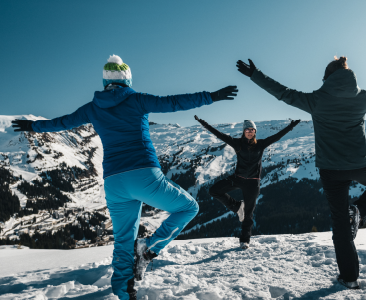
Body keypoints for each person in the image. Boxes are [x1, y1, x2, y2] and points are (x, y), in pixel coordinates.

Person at [11, 54, 238, 300]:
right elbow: (174, 102)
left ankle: (123, 291)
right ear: (127, 79)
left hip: (114, 182)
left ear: (104, 82)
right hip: (143, 175)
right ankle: (149, 248)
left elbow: (63, 122)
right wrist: (211, 96)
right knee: (188, 207)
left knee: (123, 239)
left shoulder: (92, 107)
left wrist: (34, 127)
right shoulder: (136, 100)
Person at [236, 56, 366, 289]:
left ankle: (349, 277)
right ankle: (357, 211)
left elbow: (283, 93)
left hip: (331, 170)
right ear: (349, 75)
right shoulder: (363, 98)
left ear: (327, 78)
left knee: (340, 227)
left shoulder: (316, 100)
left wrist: (255, 75)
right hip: (360, 165)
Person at [194, 115, 300, 249]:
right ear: (244, 131)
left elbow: (277, 136)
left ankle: (245, 240)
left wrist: (291, 126)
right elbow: (219, 134)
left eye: (252, 129)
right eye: (247, 129)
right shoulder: (237, 143)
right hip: (237, 179)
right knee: (214, 190)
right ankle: (237, 206)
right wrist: (204, 123)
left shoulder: (261, 144)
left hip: (253, 183)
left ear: (255, 131)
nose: (250, 132)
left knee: (248, 214)